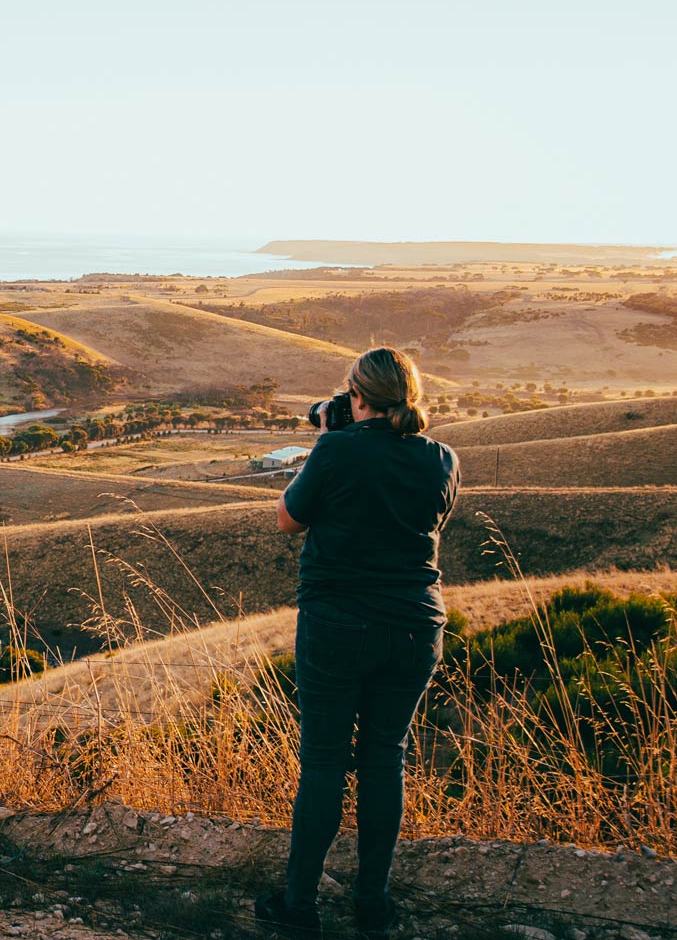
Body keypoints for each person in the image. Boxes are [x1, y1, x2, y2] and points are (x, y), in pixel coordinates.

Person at [256, 348, 459, 939]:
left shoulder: (337, 449)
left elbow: (289, 520)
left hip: (337, 623)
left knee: (323, 763)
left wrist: (326, 439)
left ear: (355, 395)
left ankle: (299, 904)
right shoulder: (443, 458)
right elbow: (426, 524)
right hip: (417, 626)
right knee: (383, 760)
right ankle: (372, 903)